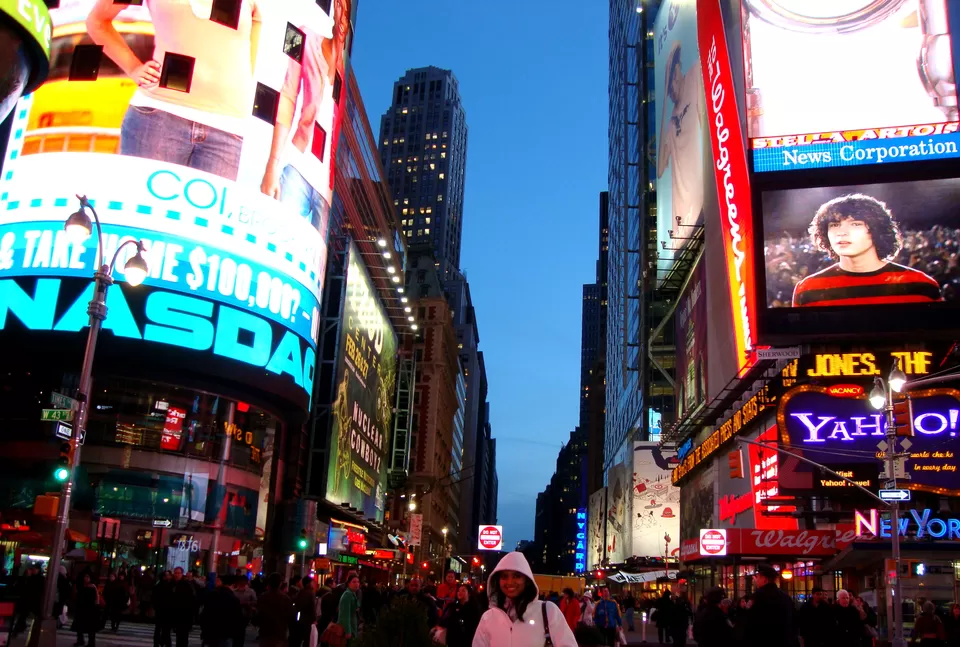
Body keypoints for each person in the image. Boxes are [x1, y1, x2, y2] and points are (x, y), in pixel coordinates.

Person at [86, 0, 262, 181]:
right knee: (144, 206)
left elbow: (258, 62)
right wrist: (133, 68)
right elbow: (97, 22)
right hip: (157, 117)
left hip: (228, 128)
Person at [260, 0, 351, 230]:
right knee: (277, 234)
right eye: (339, 6)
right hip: (298, 170)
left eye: (347, 12)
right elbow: (287, 96)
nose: (342, 17)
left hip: (324, 188)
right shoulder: (303, 35)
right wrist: (272, 164)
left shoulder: (343, 82)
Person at [792, 194, 943, 307]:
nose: (842, 232)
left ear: (877, 230)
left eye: (855, 224)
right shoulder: (808, 289)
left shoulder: (921, 285)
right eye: (834, 225)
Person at [472, 551, 576, 647]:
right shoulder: (488, 618)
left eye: (516, 576)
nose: (509, 582)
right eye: (504, 576)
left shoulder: (548, 611)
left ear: (526, 579)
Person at [657, 40, 705, 237]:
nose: (671, 92)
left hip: (701, 202)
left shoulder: (694, 75)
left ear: (678, 69)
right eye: (668, 89)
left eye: (672, 83)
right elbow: (660, 168)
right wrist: (663, 110)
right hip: (681, 224)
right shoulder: (669, 124)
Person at [743, 563, 795, 647]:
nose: (755, 580)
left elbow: (750, 621)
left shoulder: (758, 596)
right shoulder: (785, 597)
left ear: (765, 579)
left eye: (758, 577)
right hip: (783, 641)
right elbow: (793, 620)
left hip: (762, 641)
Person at [200, 576, 244, 647]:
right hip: (225, 633)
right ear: (232, 585)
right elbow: (237, 620)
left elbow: (204, 614)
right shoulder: (233, 599)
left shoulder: (212, 595)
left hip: (211, 632)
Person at [256, 573, 293, 647]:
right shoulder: (286, 599)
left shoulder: (262, 597)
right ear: (280, 584)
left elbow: (258, 614)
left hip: (265, 632)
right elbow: (291, 617)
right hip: (279, 632)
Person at [170, 567, 198, 647]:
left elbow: (192, 600)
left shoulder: (186, 585)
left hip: (184, 614)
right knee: (179, 636)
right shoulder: (172, 584)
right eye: (175, 573)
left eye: (178, 573)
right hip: (176, 614)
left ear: (182, 574)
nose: (177, 575)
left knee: (183, 636)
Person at [72, 572, 102, 647]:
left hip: (90, 610)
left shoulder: (92, 587)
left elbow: (95, 598)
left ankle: (90, 643)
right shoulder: (82, 586)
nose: (86, 578)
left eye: (88, 577)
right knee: (80, 626)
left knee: (90, 628)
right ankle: (80, 640)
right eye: (85, 577)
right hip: (82, 609)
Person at [233, 575, 258, 647]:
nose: (241, 584)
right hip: (235, 614)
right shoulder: (234, 591)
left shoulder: (250, 591)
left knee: (241, 631)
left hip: (245, 613)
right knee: (236, 631)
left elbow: (255, 601)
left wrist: (248, 603)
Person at [292, 576, 317, 647]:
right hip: (308, 619)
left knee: (300, 637)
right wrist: (314, 619)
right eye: (312, 582)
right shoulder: (310, 593)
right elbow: (312, 607)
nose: (313, 584)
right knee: (307, 639)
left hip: (300, 618)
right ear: (308, 583)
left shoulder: (300, 592)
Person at [337, 574, 361, 646]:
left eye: (358, 582)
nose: (356, 584)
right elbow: (345, 614)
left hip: (352, 625)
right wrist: (348, 631)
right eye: (354, 582)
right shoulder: (348, 595)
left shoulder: (352, 593)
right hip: (348, 627)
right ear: (348, 583)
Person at [153, 570, 174, 647]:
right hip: (162, 610)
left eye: (169, 575)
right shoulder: (161, 586)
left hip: (165, 610)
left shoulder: (171, 585)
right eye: (166, 575)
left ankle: (161, 642)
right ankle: (160, 642)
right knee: (161, 628)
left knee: (164, 629)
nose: (168, 577)